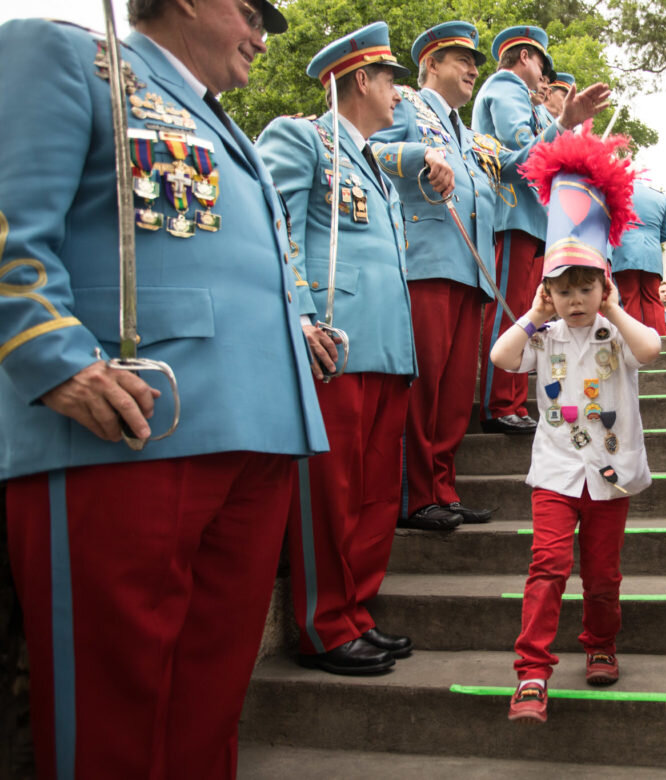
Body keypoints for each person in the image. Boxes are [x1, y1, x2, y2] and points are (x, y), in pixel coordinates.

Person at [0, 2, 329, 776]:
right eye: (252, 12)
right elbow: (15, 218)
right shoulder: (70, 55)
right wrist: (52, 357)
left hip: (260, 430)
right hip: (128, 422)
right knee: (113, 711)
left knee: (208, 704)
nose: (262, 34)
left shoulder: (229, 126)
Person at [370, 22, 609, 531]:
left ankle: (441, 489)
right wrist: (421, 155)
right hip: (427, 263)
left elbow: (518, 164)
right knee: (425, 386)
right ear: (431, 63)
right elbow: (373, 149)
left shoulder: (472, 138)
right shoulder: (407, 103)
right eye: (461, 58)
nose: (473, 68)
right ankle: (413, 495)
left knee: (456, 394)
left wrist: (564, 121)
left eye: (476, 60)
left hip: (469, 272)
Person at [256, 22, 420, 676]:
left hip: (387, 344)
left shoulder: (376, 161)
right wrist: (296, 315)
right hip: (336, 340)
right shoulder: (303, 136)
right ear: (361, 80)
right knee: (332, 492)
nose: (399, 94)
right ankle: (324, 625)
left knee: (377, 494)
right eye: (390, 80)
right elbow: (278, 228)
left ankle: (358, 613)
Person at [490, 132, 658, 722]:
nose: (576, 298)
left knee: (603, 574)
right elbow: (502, 359)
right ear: (550, 294)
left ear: (603, 285)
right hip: (557, 474)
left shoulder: (617, 330)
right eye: (564, 290)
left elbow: (653, 347)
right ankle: (532, 672)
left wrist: (614, 307)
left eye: (586, 286)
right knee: (547, 567)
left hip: (610, 478)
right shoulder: (546, 334)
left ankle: (601, 644)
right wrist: (533, 317)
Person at [472, 25, 560, 434]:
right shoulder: (506, 85)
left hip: (529, 216)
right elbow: (521, 143)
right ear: (525, 55)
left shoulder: (527, 96)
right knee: (509, 311)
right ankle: (499, 402)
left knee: (524, 310)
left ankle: (511, 400)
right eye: (542, 62)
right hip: (511, 213)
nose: (544, 75)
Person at [611, 178, 666, 334]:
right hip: (652, 254)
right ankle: (659, 342)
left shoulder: (616, 192)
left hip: (624, 251)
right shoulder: (659, 197)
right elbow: (665, 233)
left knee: (629, 298)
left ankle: (635, 344)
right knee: (653, 299)